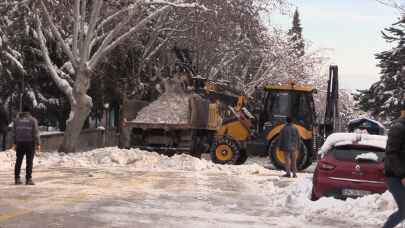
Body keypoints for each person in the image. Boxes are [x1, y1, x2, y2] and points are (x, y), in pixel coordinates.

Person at [383, 103, 405, 228]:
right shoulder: (399, 127)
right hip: (395, 177)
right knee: (404, 211)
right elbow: (391, 154)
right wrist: (402, 176)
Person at [11, 106, 41, 185]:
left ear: (22, 112)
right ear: (29, 112)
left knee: (18, 161)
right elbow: (36, 133)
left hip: (19, 143)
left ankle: (17, 179)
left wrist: (14, 143)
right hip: (30, 143)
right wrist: (38, 143)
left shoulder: (16, 120)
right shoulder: (33, 120)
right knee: (29, 162)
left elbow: (13, 133)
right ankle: (28, 179)